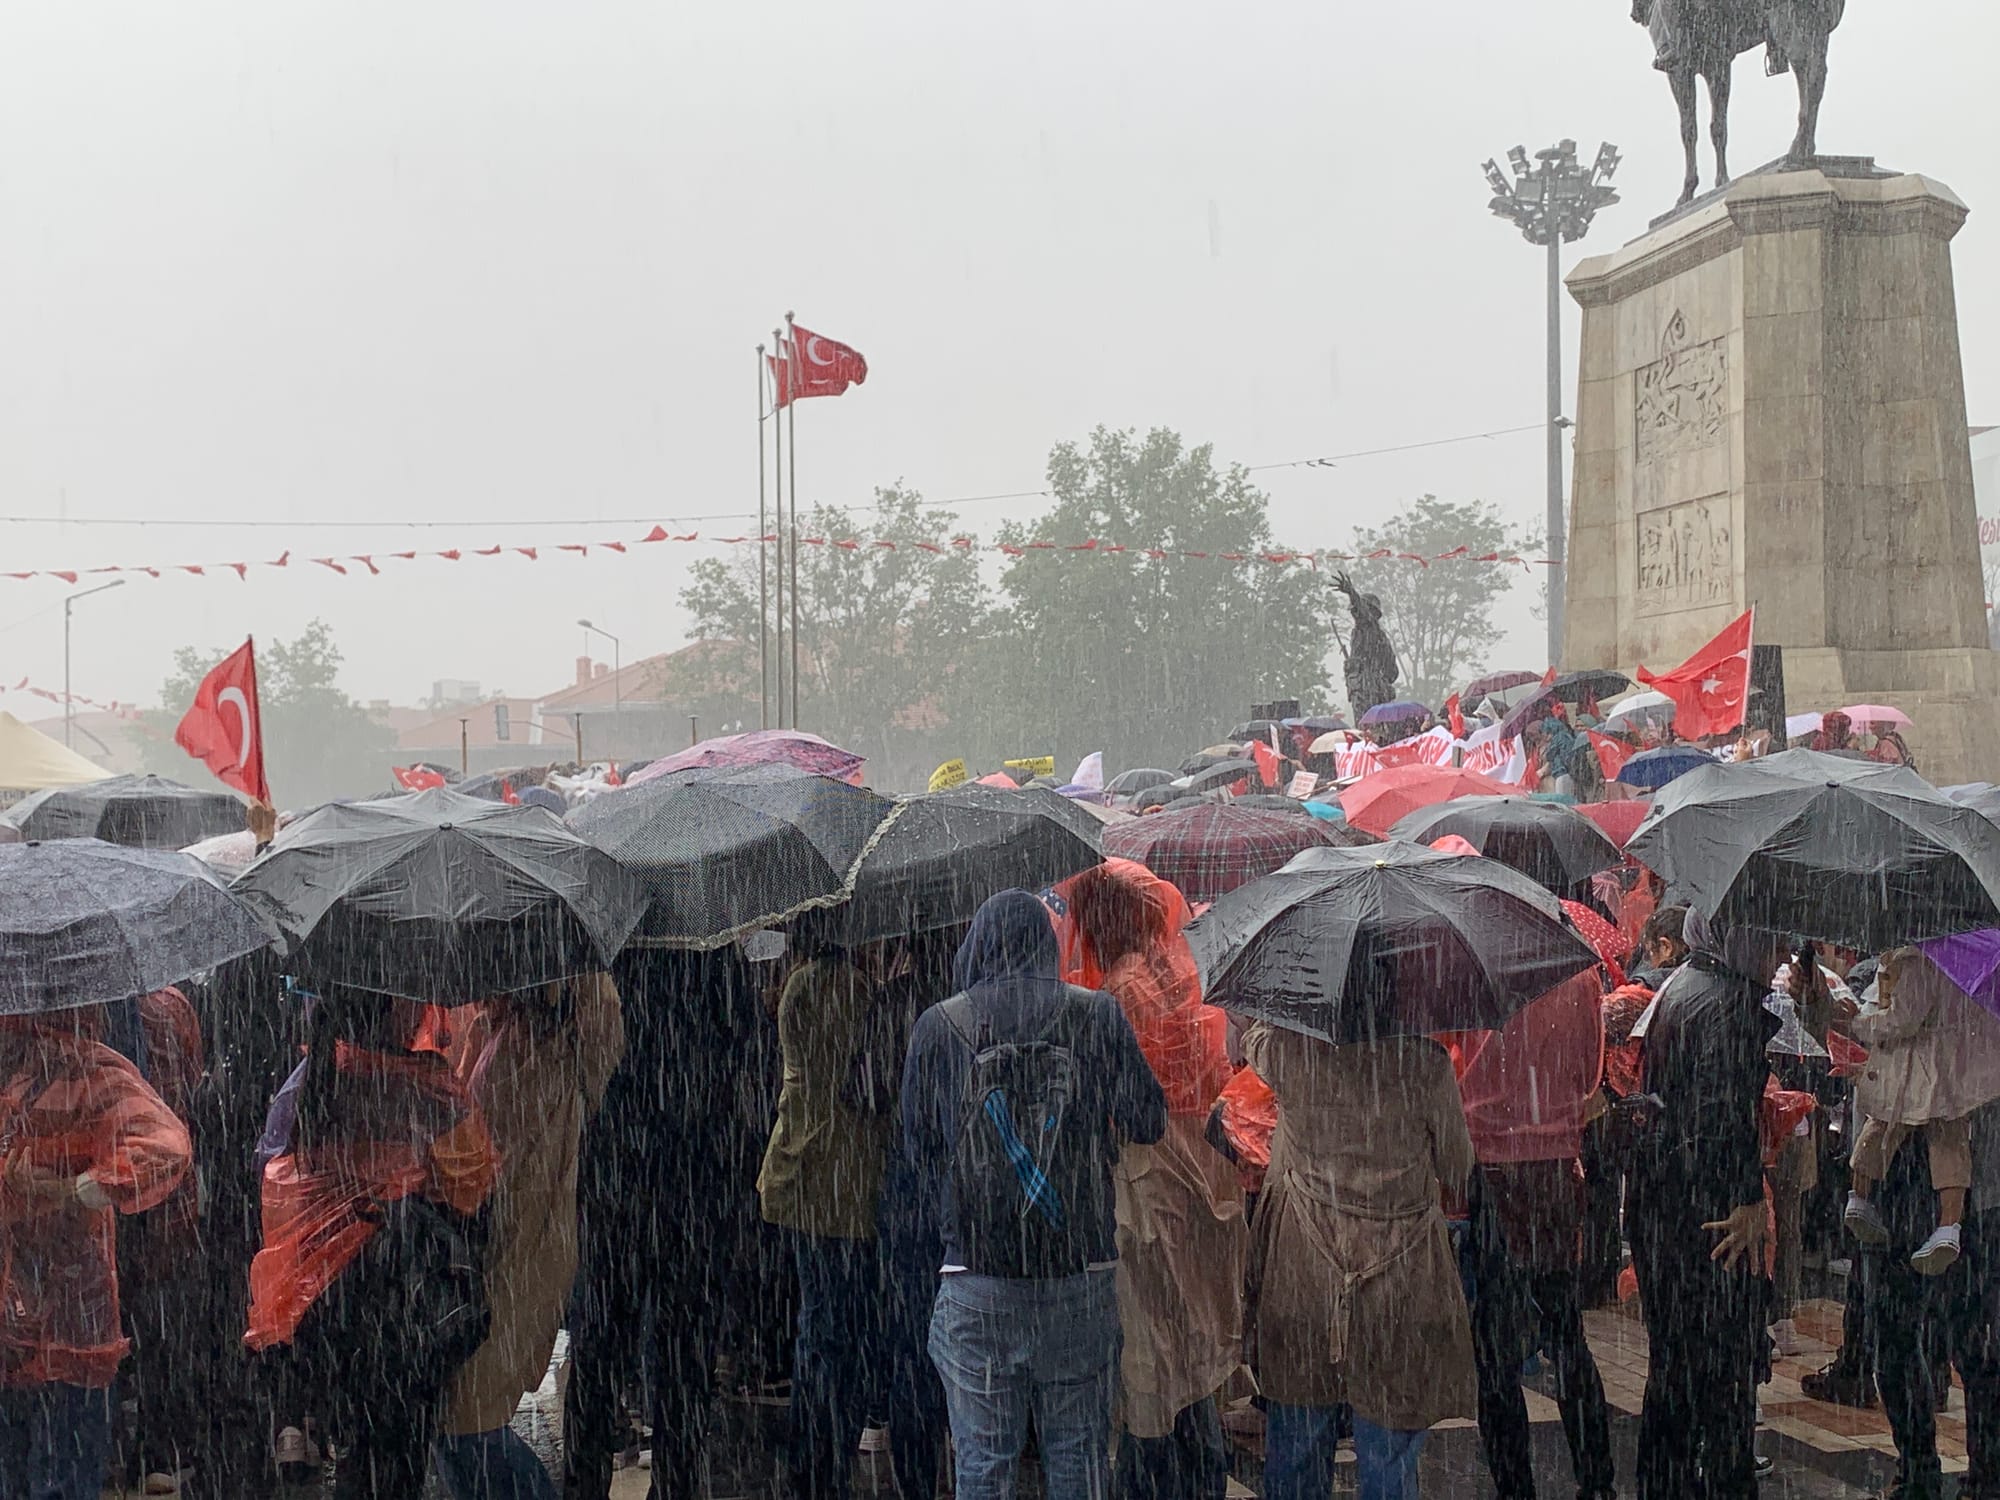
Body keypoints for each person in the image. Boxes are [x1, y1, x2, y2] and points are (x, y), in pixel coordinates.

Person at [900, 890, 1167, 1500]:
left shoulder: (941, 1026)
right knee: (1077, 1457)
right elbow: (1149, 1120)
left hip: (976, 1276)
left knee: (984, 1464)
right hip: (1078, 1272)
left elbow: (918, 1154)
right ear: (1047, 945)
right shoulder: (1095, 1014)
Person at [246, 993, 498, 1500]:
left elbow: (275, 1186)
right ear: (394, 1010)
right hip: (407, 1301)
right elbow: (474, 1184)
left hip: (328, 1305)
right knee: (397, 1452)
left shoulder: (308, 1080)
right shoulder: (427, 1086)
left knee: (360, 1447)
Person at [1245, 987, 1477, 1500]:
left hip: (1305, 1269)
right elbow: (1459, 1168)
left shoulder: (1289, 1049)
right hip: (1401, 1276)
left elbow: (1253, 1039)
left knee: (1299, 1435)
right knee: (1388, 1445)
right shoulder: (1425, 1064)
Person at [1065, 862, 1245, 1500]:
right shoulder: (1179, 974)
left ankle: (1149, 1481)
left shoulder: (1118, 993)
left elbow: (1124, 1104)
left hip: (1150, 1183)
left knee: (1152, 1357)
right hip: (1205, 1169)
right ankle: (1202, 1477)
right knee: (1194, 1347)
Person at [436, 974, 624, 1500]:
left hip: (519, 1256)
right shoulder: (501, 1035)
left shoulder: (558, 1050)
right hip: (495, 1256)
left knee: (465, 1420)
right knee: (462, 1420)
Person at [0, 1005, 193, 1500]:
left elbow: (162, 1145)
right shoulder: (87, 1069)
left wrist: (68, 1188)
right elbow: (164, 1142)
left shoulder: (82, 1071)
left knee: (44, 1472)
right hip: (60, 1321)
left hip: (61, 1324)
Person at [1625, 911, 1782, 1499]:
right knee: (1723, 1372)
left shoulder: (1684, 983)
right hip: (1710, 1213)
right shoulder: (1730, 1001)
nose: (1779, 952)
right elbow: (1720, 1112)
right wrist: (1745, 1198)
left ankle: (1663, 1484)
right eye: (1769, 936)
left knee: (1674, 1364)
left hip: (1665, 1202)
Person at [1451, 966, 1617, 1500]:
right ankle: (1597, 1481)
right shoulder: (1581, 974)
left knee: (1495, 1351)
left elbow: (1453, 1069)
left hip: (1491, 1174)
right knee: (1567, 1335)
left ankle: (1515, 1488)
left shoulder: (1471, 967)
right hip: (1556, 1171)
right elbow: (1591, 1076)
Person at [758, 920, 893, 1500]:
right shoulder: (860, 992)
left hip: (803, 1171)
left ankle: (813, 1462)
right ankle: (831, 1451)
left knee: (818, 1324)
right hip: (850, 1178)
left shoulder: (797, 987)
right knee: (844, 1326)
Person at [1867, 1094, 2000, 1500]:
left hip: (1977, 1199)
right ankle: (1919, 1468)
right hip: (1897, 1187)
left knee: (1976, 1349)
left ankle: (1983, 1478)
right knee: (1895, 1341)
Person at [1844, 947, 2000, 1276]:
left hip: (1913, 1071)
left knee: (1883, 1126)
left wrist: (1861, 1023)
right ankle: (1948, 1225)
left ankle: (1860, 1196)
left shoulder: (1916, 962)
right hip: (1948, 1072)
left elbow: (1903, 1019)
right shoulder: (1961, 961)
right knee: (1948, 1141)